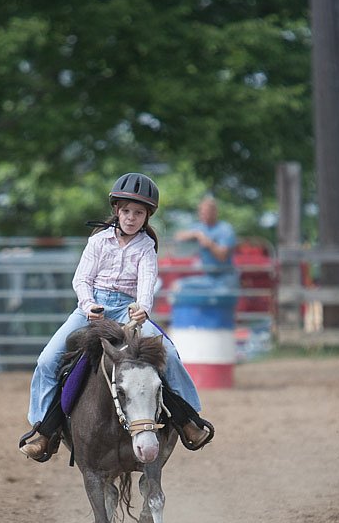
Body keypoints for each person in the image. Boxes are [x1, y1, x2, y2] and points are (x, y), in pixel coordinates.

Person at [20, 172, 212, 461]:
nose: (131, 218)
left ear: (146, 216)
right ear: (116, 211)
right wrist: (88, 305)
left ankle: (188, 420)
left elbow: (148, 280)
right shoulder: (98, 242)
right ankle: (43, 430)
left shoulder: (146, 246)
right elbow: (81, 279)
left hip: (128, 310)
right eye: (126, 211)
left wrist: (142, 306)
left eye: (138, 213)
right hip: (92, 308)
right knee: (47, 359)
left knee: (168, 355)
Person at [174, 196, 238, 298]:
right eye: (202, 212)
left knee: (219, 300)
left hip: (225, 279)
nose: (204, 215)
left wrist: (209, 243)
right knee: (178, 286)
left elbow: (222, 256)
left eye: (207, 212)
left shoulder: (225, 229)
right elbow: (178, 236)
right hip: (208, 278)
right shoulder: (199, 228)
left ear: (215, 212)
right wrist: (197, 234)